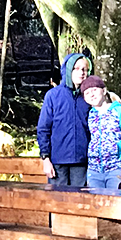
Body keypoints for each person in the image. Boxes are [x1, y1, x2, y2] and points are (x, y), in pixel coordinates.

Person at [36, 52, 92, 186]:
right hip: (57, 162)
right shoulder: (53, 96)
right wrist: (45, 158)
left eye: (84, 69)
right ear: (68, 70)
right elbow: (43, 128)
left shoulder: (90, 97)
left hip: (82, 162)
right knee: (58, 202)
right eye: (76, 68)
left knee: (80, 202)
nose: (81, 73)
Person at [80, 75, 121, 190]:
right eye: (87, 93)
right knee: (95, 204)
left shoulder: (120, 112)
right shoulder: (90, 115)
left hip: (115, 168)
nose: (92, 94)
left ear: (104, 91)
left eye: (95, 90)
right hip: (94, 170)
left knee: (114, 203)